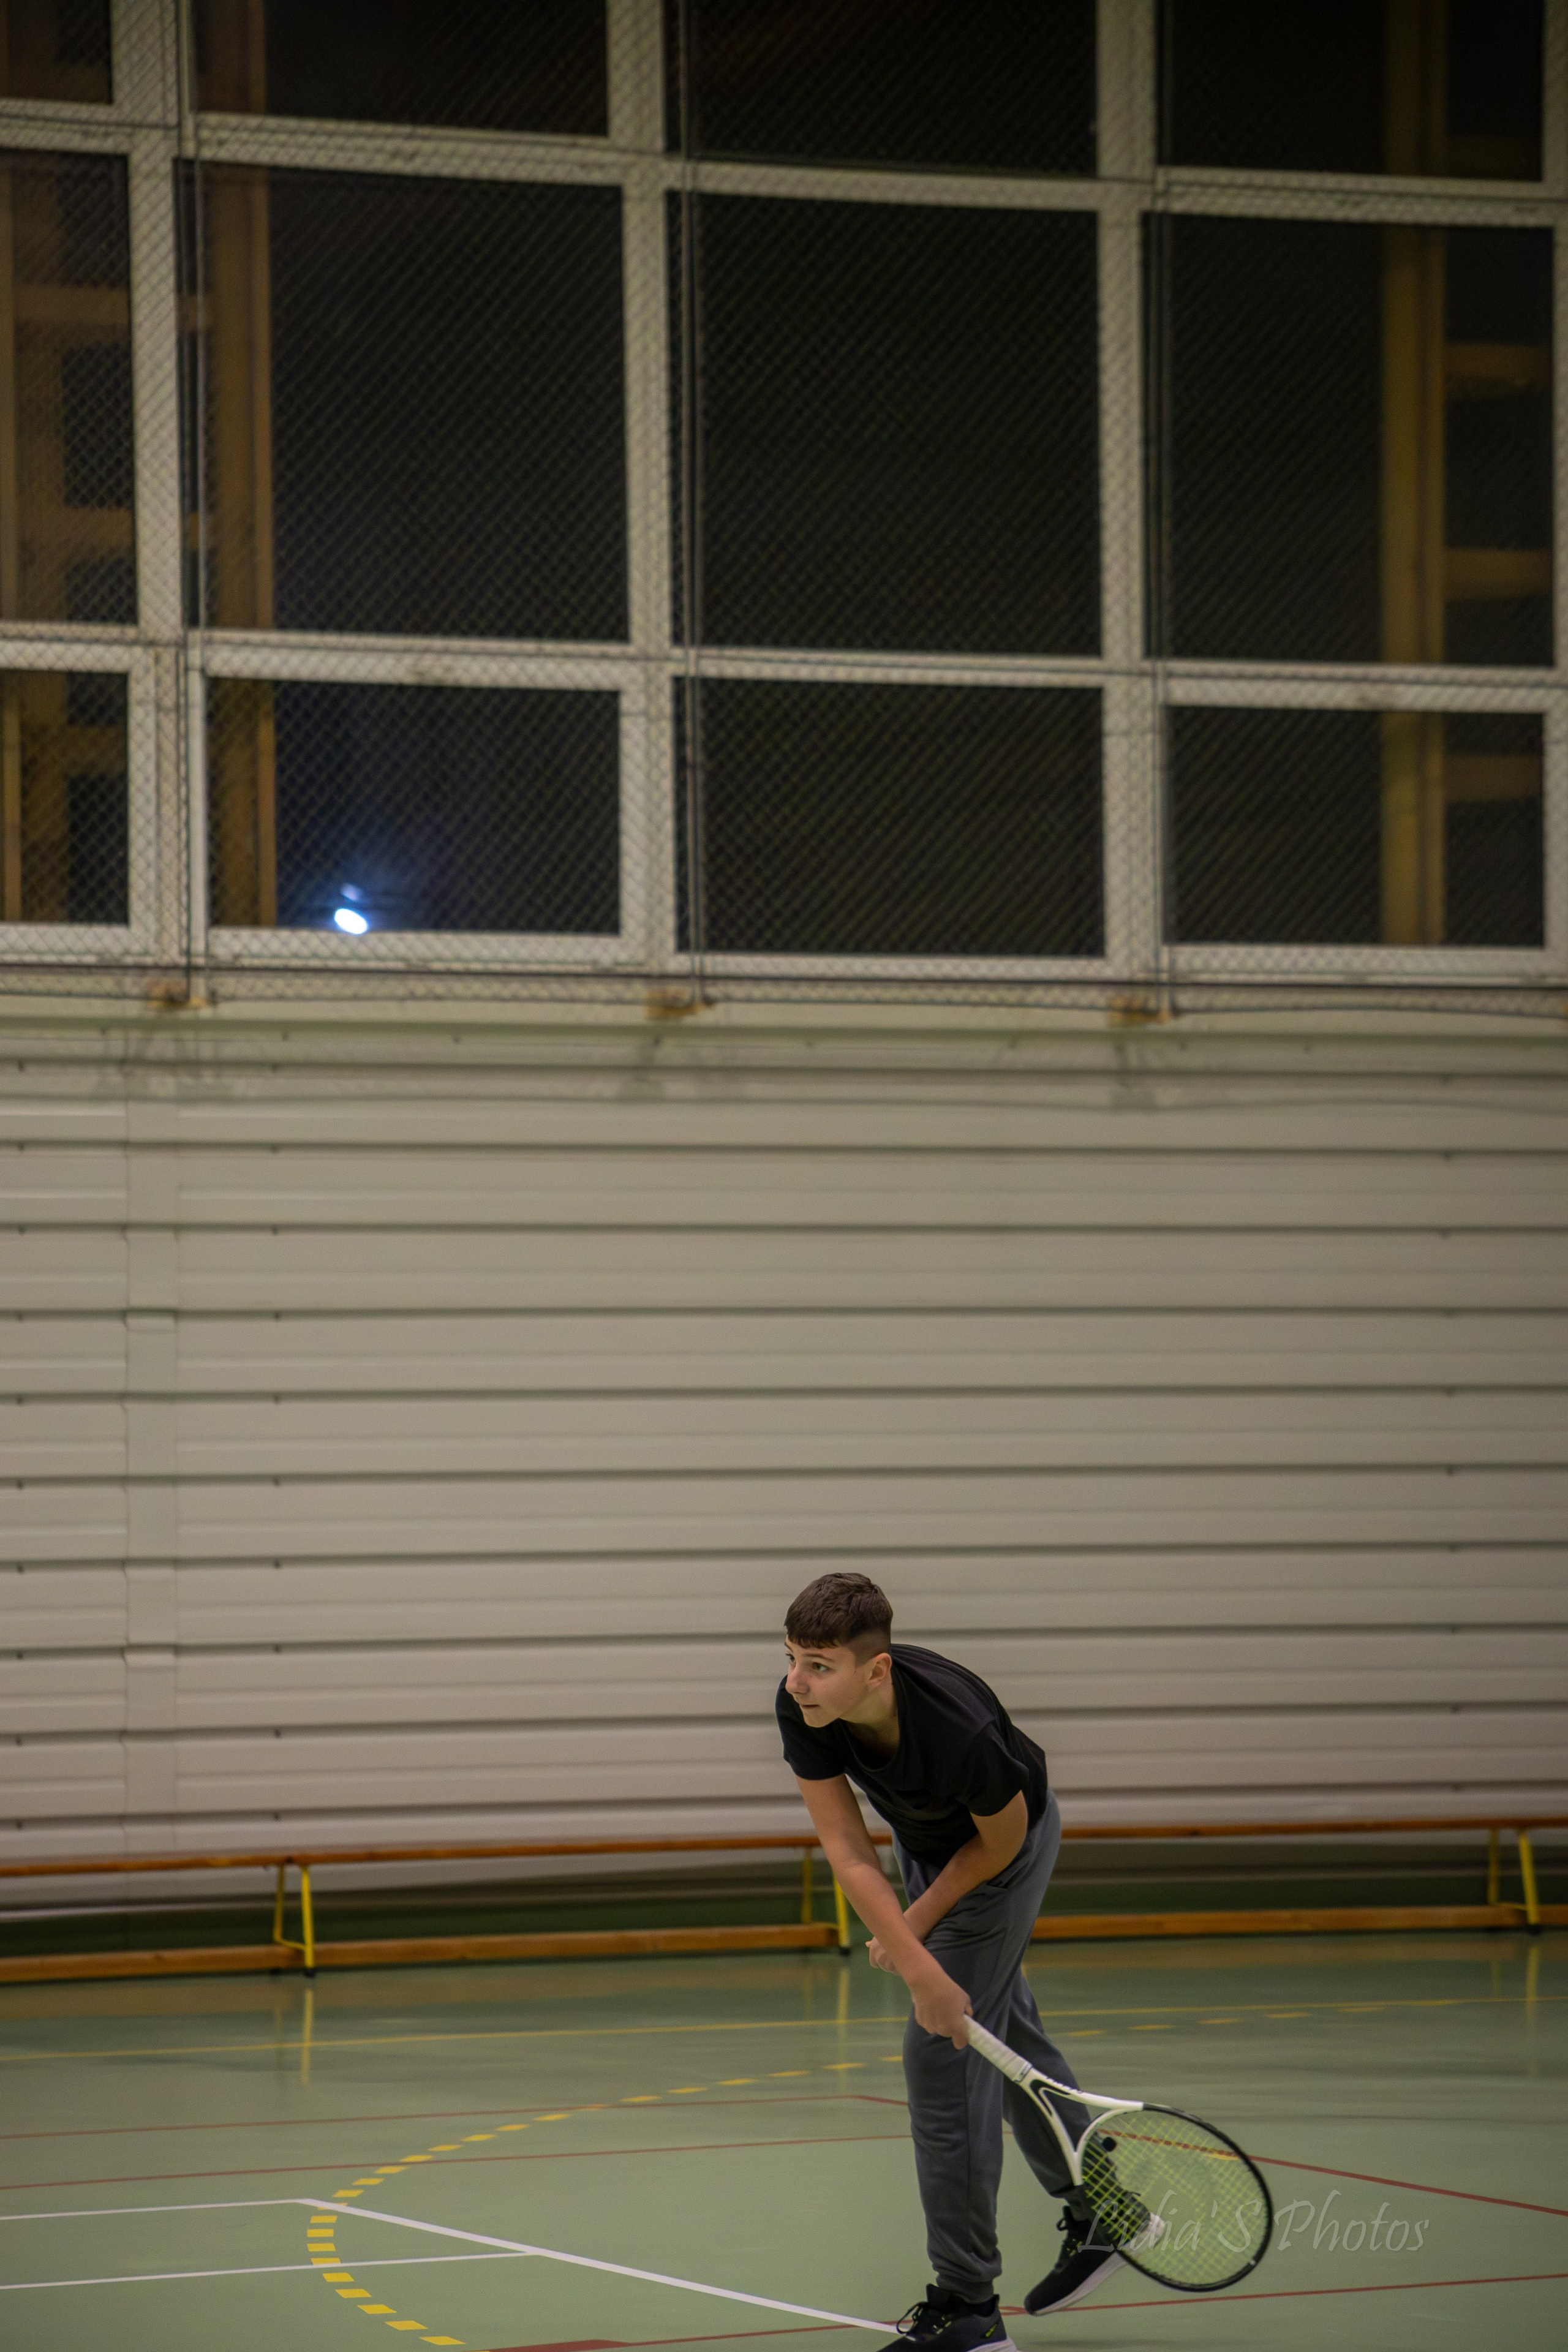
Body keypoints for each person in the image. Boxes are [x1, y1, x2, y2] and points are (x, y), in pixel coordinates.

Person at [776, 1570, 1124, 2346]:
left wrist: (921, 1948)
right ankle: (1104, 2206)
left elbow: (998, 1843)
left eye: (819, 1665)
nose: (798, 1680)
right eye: (793, 1657)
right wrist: (914, 1945)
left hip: (1004, 1849)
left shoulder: (956, 1731)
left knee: (941, 2053)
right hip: (926, 1841)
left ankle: (969, 2308)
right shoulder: (802, 1704)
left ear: (876, 1670)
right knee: (1001, 2036)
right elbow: (843, 1845)